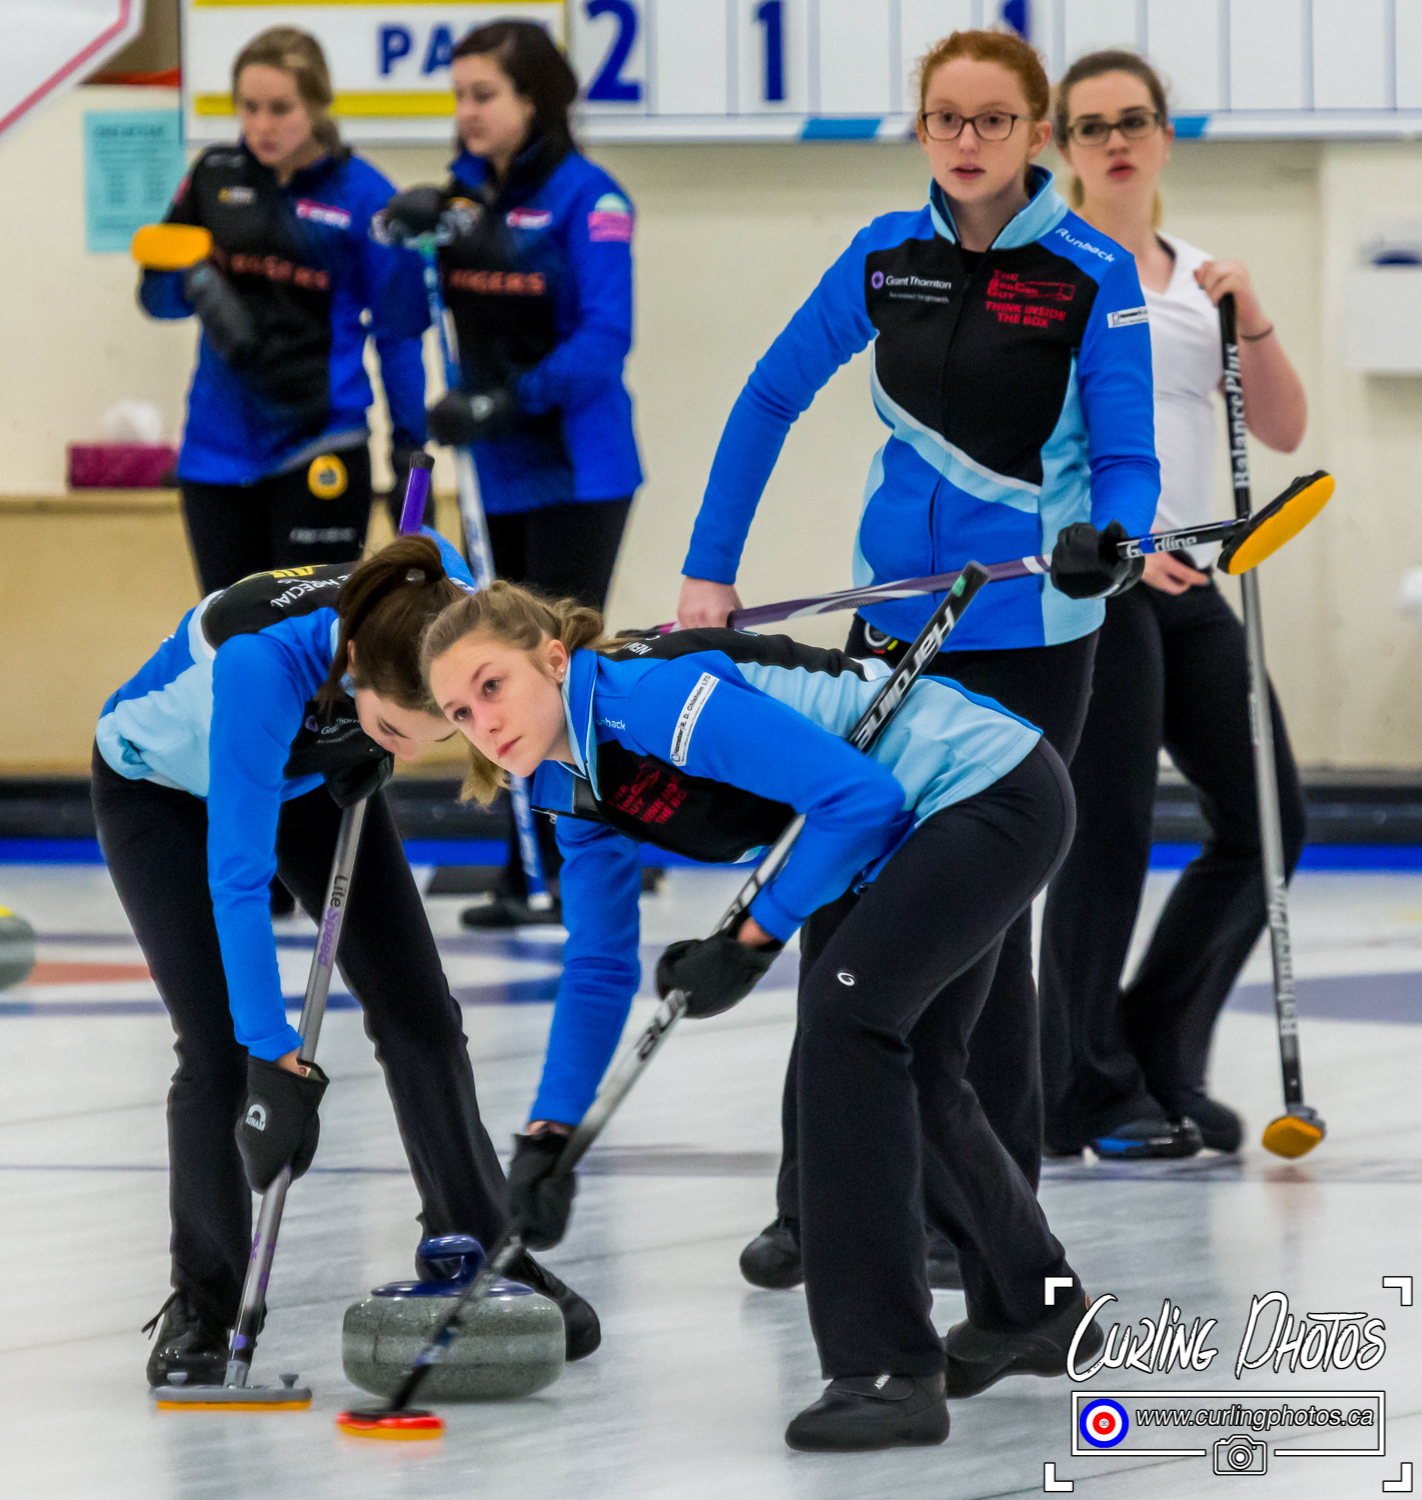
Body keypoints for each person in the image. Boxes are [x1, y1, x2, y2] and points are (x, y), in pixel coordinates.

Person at [675, 27, 1161, 1283]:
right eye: (946, 117)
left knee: (977, 928)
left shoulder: (1093, 274)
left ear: (1037, 134)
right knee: (838, 888)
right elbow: (768, 397)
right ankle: (816, 1203)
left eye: (994, 120)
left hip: (1028, 643)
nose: (967, 140)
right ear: (921, 127)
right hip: (892, 631)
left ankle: (978, 1217)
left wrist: (1113, 542)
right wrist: (708, 569)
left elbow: (1127, 461)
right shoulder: (883, 258)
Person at [421, 579, 1104, 1453]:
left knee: (845, 1024)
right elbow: (596, 967)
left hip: (984, 791)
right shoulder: (569, 784)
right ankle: (1037, 1306)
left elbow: (858, 797)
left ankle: (887, 1371)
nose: (485, 722)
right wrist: (549, 1134)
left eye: (492, 686)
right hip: (914, 828)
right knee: (914, 1067)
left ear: (553, 659)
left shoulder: (649, 699)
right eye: (461, 713)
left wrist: (749, 941)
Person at [92, 534, 598, 1388]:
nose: (411, 753)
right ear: (355, 660)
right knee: (219, 1048)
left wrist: (373, 746)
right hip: (166, 794)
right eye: (397, 731)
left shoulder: (449, 608)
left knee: (420, 1012)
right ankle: (203, 1305)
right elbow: (239, 879)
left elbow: (452, 570)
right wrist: (271, 1050)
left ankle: (479, 1247)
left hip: (312, 771)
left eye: (437, 729)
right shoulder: (260, 668)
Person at [1038, 51, 1308, 1158]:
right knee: (1109, 834)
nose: (1116, 141)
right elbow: (1028, 444)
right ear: (1063, 145)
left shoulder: (1202, 278)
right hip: (1101, 586)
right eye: (1092, 125)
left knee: (1270, 821)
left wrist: (1253, 316)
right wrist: (1119, 539)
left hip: (1192, 583)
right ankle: (1081, 1089)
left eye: (1134, 120)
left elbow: (1282, 429)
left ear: (1163, 134)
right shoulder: (1048, 269)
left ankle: (1154, 1056)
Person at [380, 20, 643, 929]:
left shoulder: (590, 199)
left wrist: (508, 400)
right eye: (458, 95)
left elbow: (606, 337)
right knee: (493, 669)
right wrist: (407, 243)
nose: (467, 112)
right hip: (494, 473)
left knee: (560, 669)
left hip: (577, 467)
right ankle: (522, 856)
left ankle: (587, 860)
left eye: (484, 94)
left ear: (534, 100)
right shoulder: (457, 205)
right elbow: (405, 318)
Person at [139, 26, 427, 598]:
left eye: (280, 108)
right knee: (231, 639)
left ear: (317, 106)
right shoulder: (214, 175)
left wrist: (411, 459)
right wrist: (196, 281)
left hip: (320, 444)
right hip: (214, 455)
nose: (261, 126)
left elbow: (398, 335)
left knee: (311, 639)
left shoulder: (363, 195)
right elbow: (156, 300)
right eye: (248, 107)